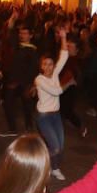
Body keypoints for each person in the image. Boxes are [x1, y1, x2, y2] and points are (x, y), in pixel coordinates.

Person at [33, 27, 69, 180]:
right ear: (41, 66)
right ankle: (41, 166)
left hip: (56, 116)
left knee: (60, 147)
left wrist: (63, 37)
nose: (48, 67)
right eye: (45, 64)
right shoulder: (39, 80)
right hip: (44, 117)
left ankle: (55, 168)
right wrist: (68, 83)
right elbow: (57, 92)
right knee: (54, 147)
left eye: (50, 64)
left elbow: (64, 56)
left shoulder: (54, 73)